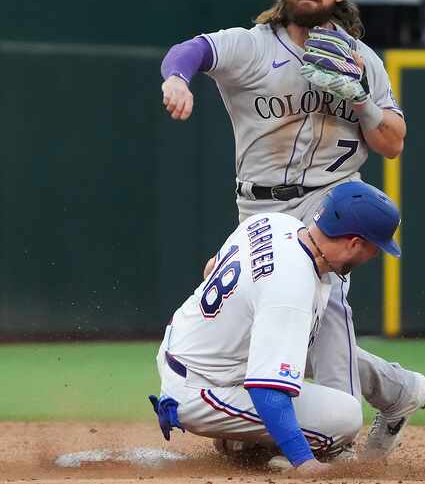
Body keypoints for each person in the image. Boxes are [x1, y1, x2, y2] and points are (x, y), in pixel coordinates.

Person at [158, 0, 425, 459]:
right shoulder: (253, 45)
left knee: (325, 310)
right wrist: (176, 79)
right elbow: (190, 51)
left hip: (331, 200)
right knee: (258, 318)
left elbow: (392, 143)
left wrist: (362, 101)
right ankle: (396, 391)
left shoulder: (362, 61)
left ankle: (335, 437)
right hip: (257, 207)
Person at [149, 182, 401, 475]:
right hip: (199, 389)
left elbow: (210, 268)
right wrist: (302, 461)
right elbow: (266, 391)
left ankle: (240, 438)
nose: (373, 256)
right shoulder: (293, 285)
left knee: (285, 358)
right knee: (343, 418)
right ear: (355, 243)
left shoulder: (274, 221)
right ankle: (248, 440)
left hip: (183, 345)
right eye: (374, 248)